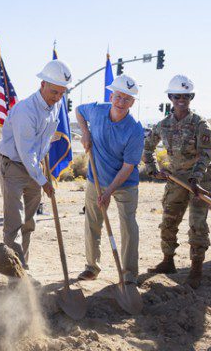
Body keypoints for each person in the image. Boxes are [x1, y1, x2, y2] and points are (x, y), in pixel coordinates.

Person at [143, 75, 211, 288]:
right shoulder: (163, 125)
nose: (181, 100)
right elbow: (147, 147)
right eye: (177, 96)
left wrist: (195, 178)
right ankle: (168, 261)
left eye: (186, 96)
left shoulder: (200, 124)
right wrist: (152, 169)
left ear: (191, 97)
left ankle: (196, 268)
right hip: (176, 177)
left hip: (201, 179)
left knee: (197, 223)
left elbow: (205, 155)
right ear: (170, 97)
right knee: (169, 219)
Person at [0, 59, 71, 269]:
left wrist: (47, 148)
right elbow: (26, 151)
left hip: (34, 168)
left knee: (29, 223)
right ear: (42, 85)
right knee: (14, 223)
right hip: (14, 166)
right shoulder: (25, 110)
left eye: (61, 93)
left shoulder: (55, 107)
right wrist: (44, 181)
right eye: (54, 92)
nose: (57, 98)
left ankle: (22, 266)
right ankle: (14, 274)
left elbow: (43, 139)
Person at [75, 75, 144, 284]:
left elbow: (128, 167)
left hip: (125, 184)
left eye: (127, 99)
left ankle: (129, 274)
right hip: (96, 178)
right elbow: (78, 110)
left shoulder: (135, 130)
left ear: (133, 102)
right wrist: (85, 132)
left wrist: (108, 192)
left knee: (128, 225)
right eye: (118, 97)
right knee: (92, 222)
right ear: (111, 95)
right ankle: (91, 267)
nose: (121, 102)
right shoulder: (97, 110)